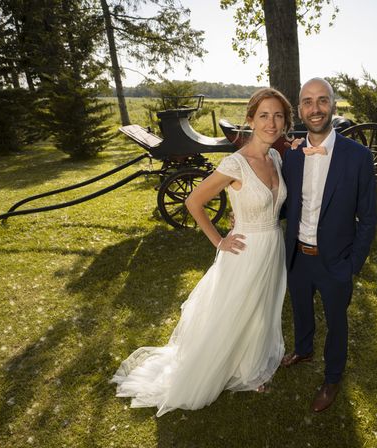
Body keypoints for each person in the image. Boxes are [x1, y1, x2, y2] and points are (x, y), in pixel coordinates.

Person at [111, 88, 293, 415]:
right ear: (250, 120)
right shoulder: (235, 163)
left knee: (260, 309)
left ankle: (250, 368)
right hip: (245, 251)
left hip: (272, 246)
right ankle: (218, 368)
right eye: (264, 115)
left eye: (278, 115)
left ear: (285, 122)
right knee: (234, 311)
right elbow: (193, 202)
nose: (271, 122)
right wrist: (219, 240)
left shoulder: (276, 158)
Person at [281, 78, 377, 412]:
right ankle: (303, 349)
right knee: (301, 308)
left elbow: (368, 217)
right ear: (299, 109)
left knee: (337, 322)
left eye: (322, 100)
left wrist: (353, 265)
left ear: (333, 106)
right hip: (297, 255)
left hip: (336, 261)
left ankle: (332, 378)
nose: (315, 108)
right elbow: (284, 202)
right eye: (308, 102)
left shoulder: (358, 157)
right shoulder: (292, 155)